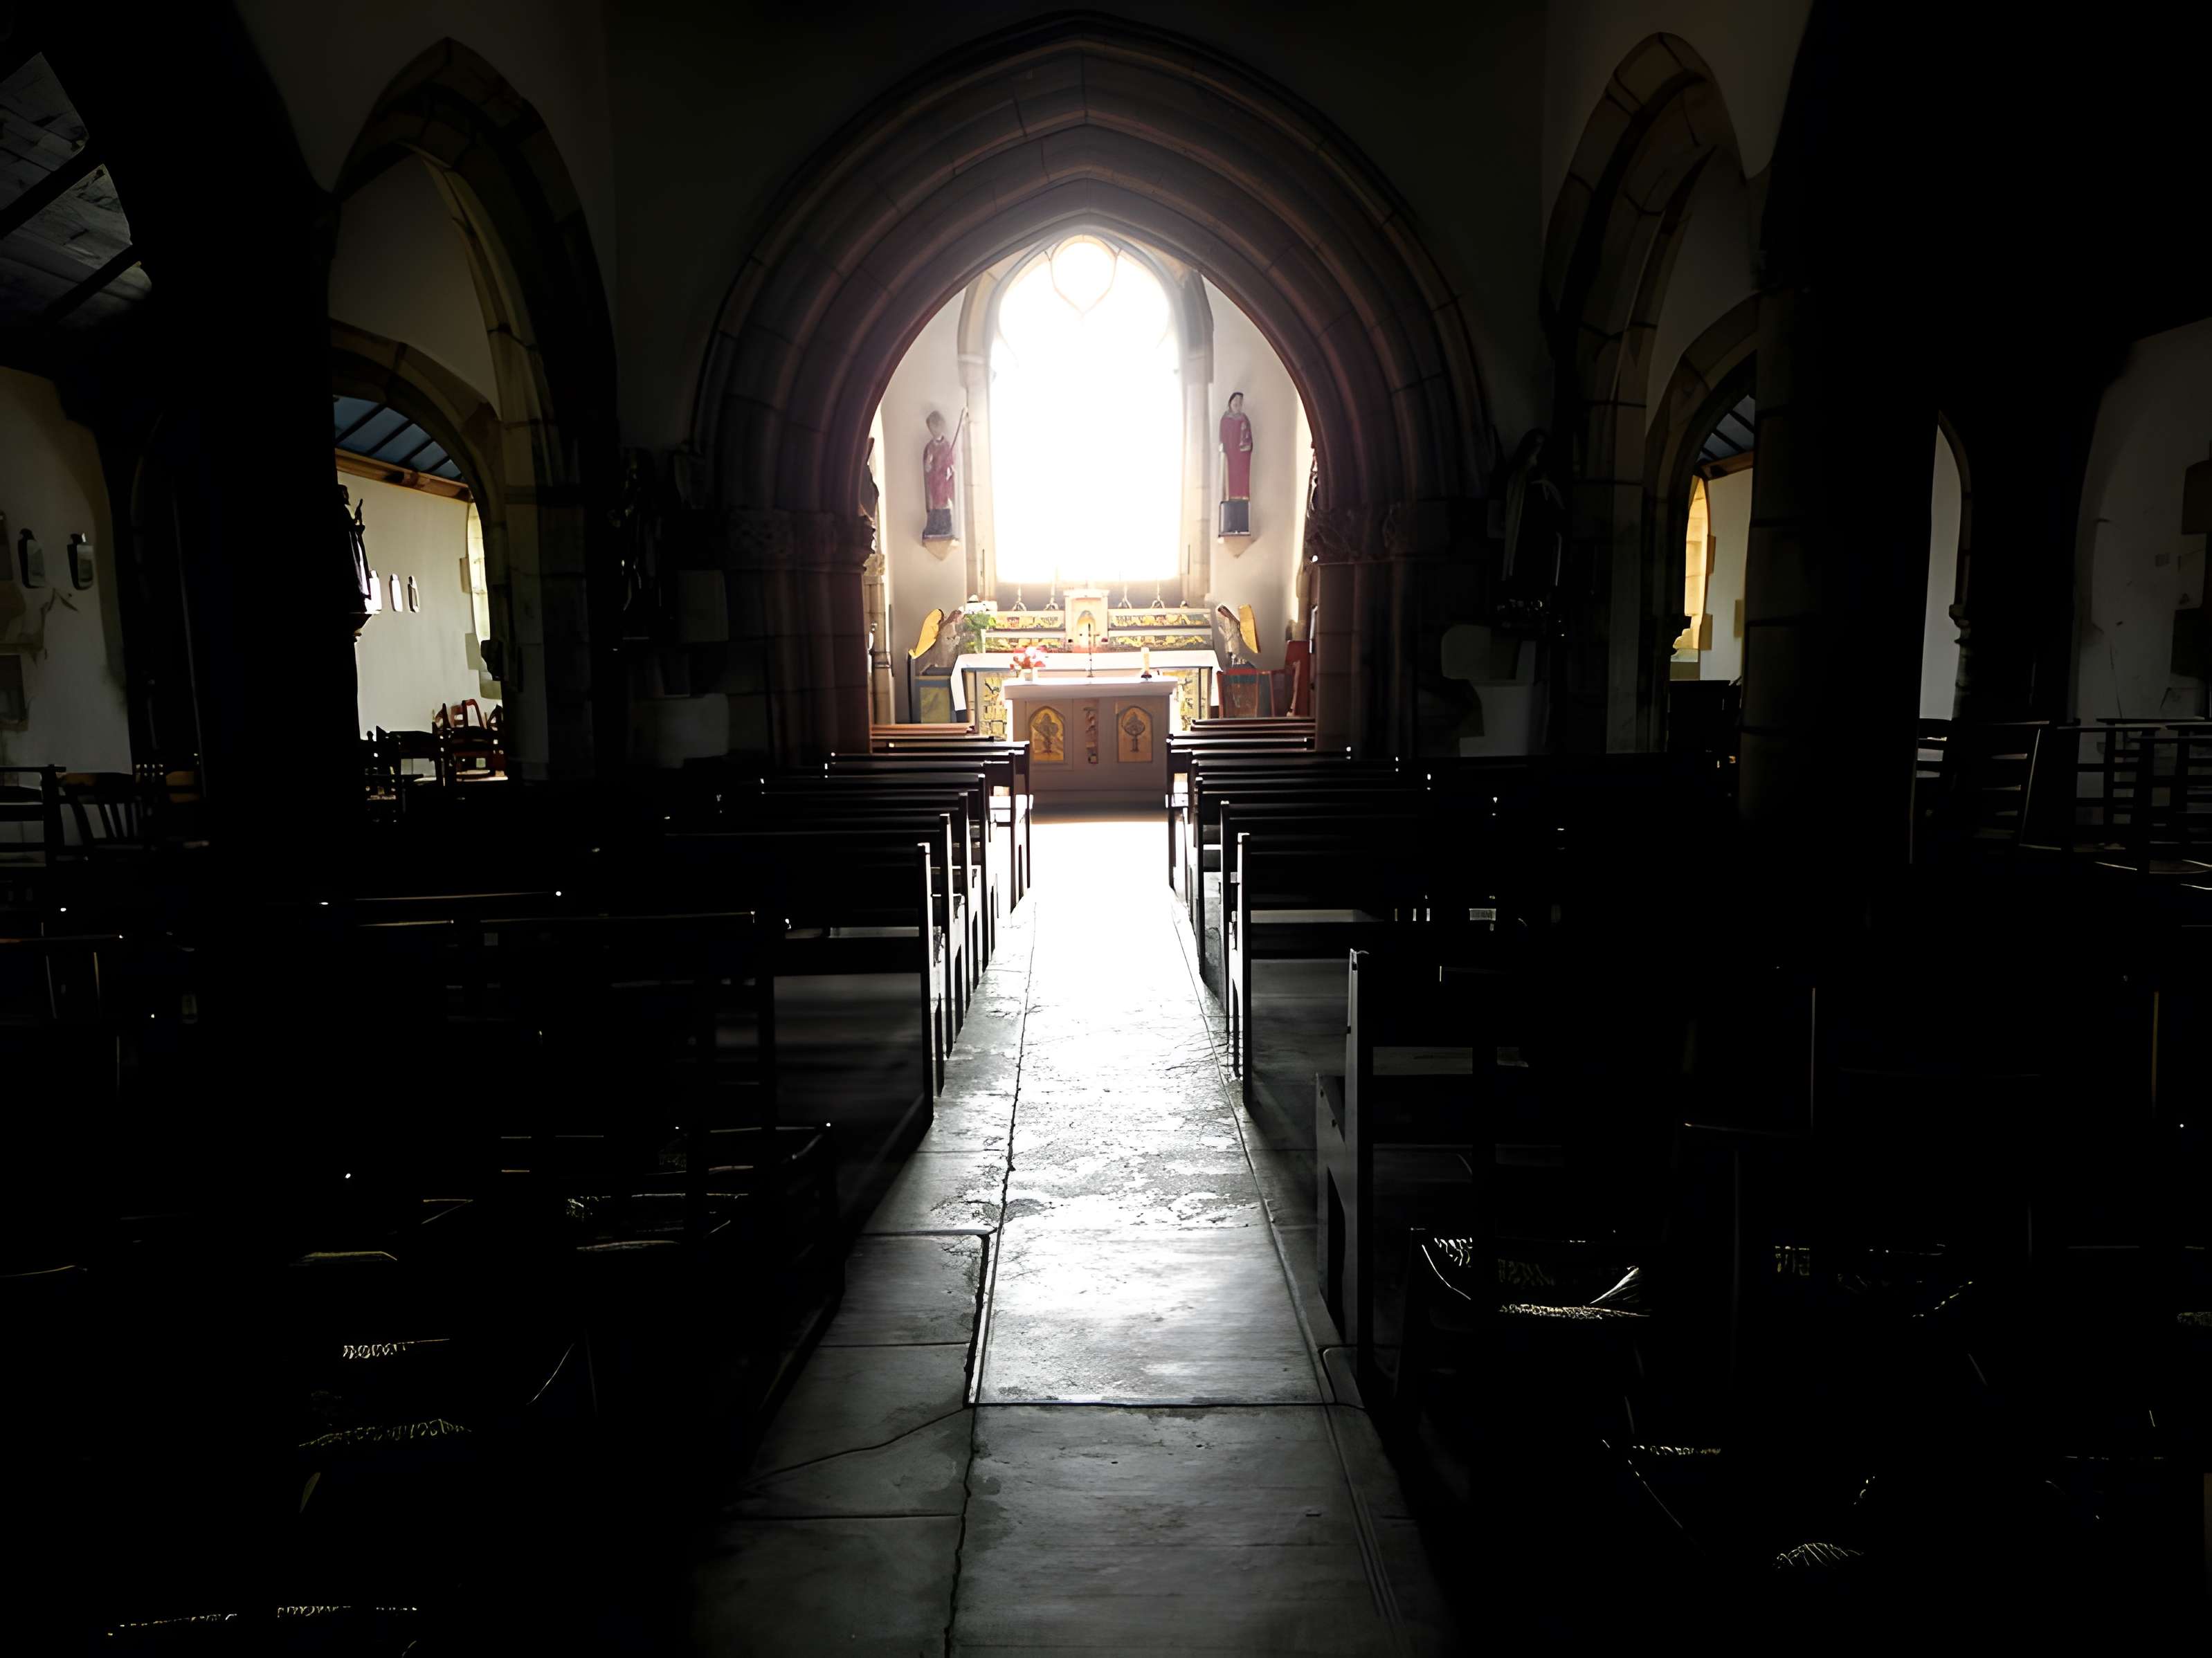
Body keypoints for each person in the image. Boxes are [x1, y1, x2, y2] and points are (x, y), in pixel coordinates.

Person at [923, 410, 962, 539]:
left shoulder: (946, 446)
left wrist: (949, 471)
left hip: (943, 482)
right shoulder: (930, 447)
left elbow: (951, 464)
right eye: (931, 428)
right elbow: (927, 467)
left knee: (943, 502)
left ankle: (945, 527)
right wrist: (928, 464)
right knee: (935, 503)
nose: (933, 430)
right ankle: (935, 527)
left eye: (935, 427)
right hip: (934, 480)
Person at [1218, 392, 1253, 536]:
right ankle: (1230, 525)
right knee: (1230, 490)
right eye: (1235, 404)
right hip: (1230, 459)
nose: (1238, 407)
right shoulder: (1225, 420)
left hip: (1242, 460)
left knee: (1242, 490)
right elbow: (1222, 440)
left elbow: (1249, 441)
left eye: (1240, 404)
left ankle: (1242, 525)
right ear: (1230, 404)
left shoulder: (1244, 419)